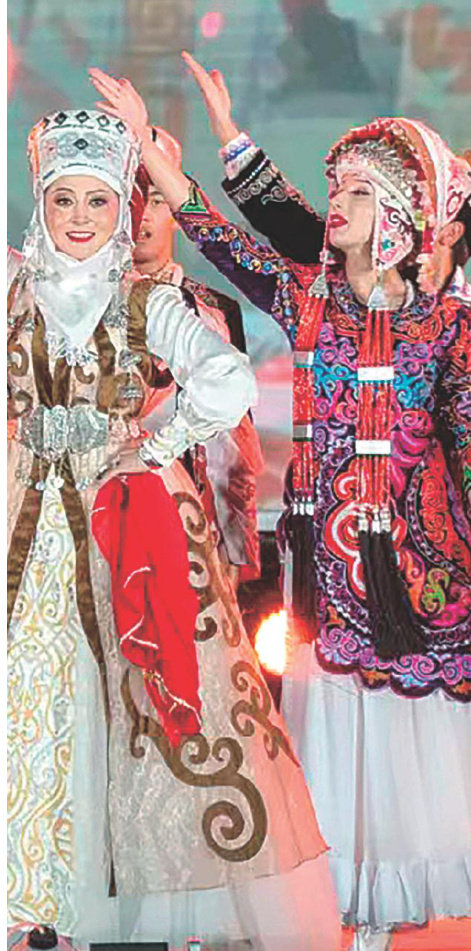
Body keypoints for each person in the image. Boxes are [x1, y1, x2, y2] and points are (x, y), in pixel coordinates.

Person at [89, 64, 471, 951]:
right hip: (325, 573)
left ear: (402, 215)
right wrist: (146, 140)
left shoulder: (449, 329)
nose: (336, 203)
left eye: (359, 192)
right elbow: (215, 232)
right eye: (336, 188)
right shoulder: (305, 299)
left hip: (420, 572)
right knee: (328, 732)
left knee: (404, 745)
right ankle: (343, 908)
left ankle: (386, 912)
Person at [7, 107, 341, 951]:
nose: (79, 218)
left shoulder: (144, 298)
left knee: (133, 705)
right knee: (35, 693)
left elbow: (225, 378)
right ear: (41, 203)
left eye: (97, 200)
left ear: (121, 208)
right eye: (63, 199)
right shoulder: (15, 292)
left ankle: (103, 903)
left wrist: (152, 443)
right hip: (28, 520)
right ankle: (33, 894)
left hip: (123, 526)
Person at [131, 162, 263, 589]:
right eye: (132, 200)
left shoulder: (215, 309)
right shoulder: (82, 301)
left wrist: (237, 544)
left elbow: (236, 437)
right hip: (112, 502)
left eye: (156, 200)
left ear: (175, 210)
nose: (143, 214)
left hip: (194, 515)